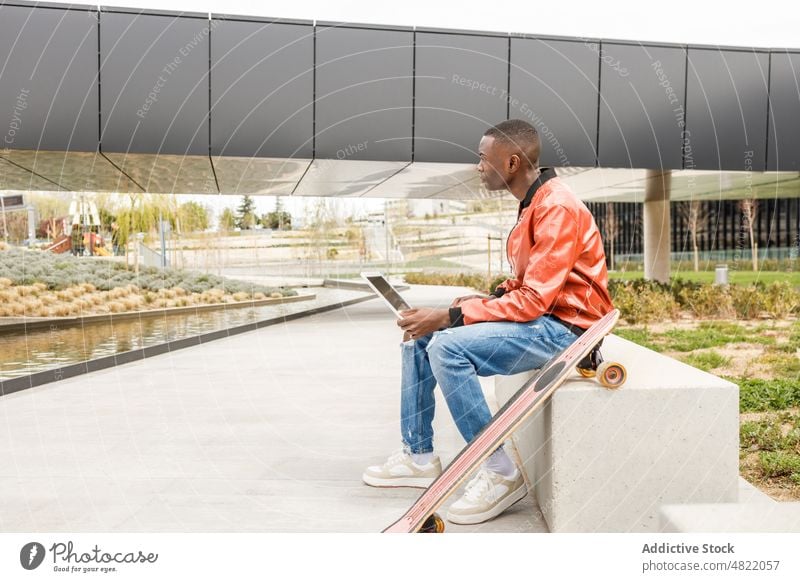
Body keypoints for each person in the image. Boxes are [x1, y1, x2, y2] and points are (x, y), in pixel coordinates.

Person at [362, 119, 613, 525]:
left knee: (446, 344)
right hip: (546, 319)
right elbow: (526, 285)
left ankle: (499, 471)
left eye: (482, 158)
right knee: (420, 339)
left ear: (511, 162)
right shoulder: (533, 203)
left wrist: (452, 316)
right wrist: (476, 303)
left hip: (568, 330)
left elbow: (534, 301)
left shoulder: (556, 207)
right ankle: (419, 455)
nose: (477, 166)